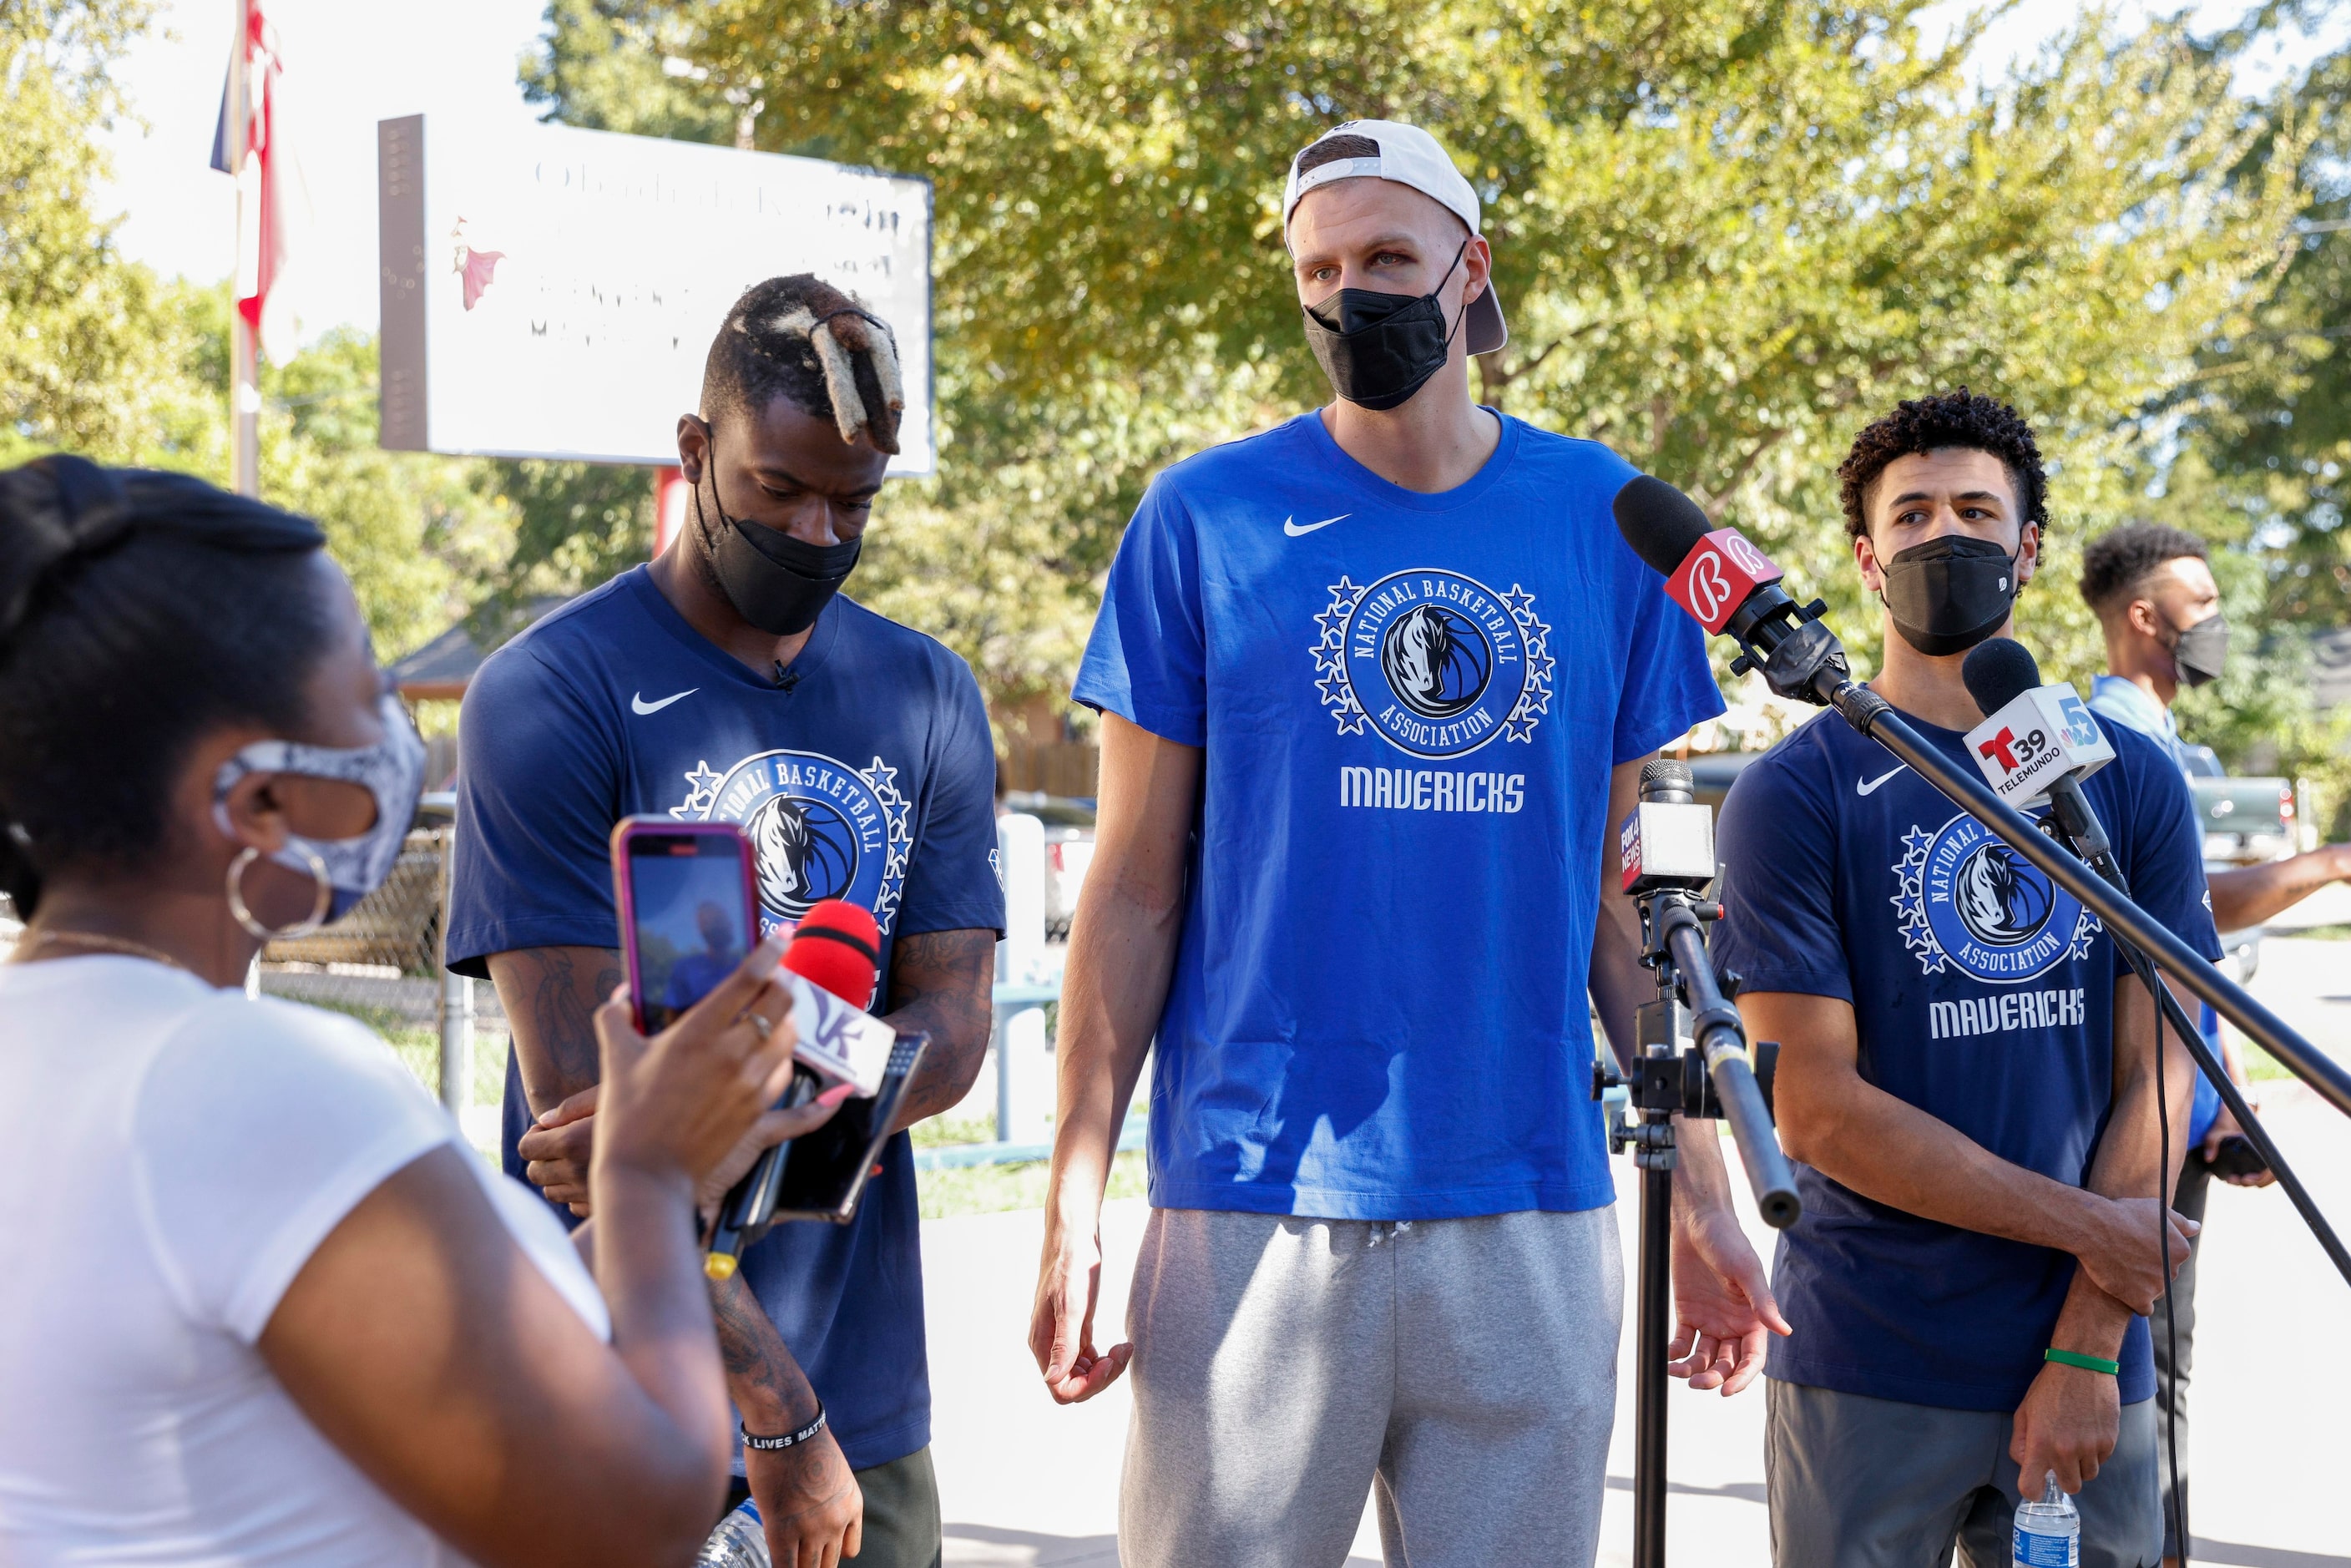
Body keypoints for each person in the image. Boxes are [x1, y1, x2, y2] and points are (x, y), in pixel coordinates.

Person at [1031, 119, 1783, 1568]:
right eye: (1319, 267)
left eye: (1386, 256)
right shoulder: (1202, 518)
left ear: (1468, 268)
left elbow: (1619, 902)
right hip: (1253, 1197)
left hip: (1526, 1195)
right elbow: (1130, 885)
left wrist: (1704, 1190)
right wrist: (1076, 1184)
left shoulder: (1603, 517)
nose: (1349, 293)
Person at [0, 455, 846, 1565]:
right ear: (254, 796)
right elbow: (632, 1519)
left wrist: (655, 1176)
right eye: (363, 689)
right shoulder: (252, 1082)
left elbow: (362, 1327)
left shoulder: (59, 1048)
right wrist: (645, 1176)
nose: (396, 735)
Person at [447, 274, 1004, 1568]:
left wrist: (740, 1088)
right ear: (694, 451)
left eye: (853, 500)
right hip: (621, 1389)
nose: (816, 528)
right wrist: (774, 1406)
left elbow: (959, 1029)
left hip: (864, 1393)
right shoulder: (547, 696)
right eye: (776, 489)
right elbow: (588, 1132)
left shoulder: (928, 693)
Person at [1709, 391, 2216, 1566]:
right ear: (1865, 558)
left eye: (1980, 510)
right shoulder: (1796, 793)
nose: (1948, 535)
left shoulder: (2128, 779)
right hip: (1873, 1358)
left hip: (2093, 1356)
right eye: (1916, 512)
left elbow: (2164, 1062)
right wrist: (2097, 1227)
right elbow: (1818, 1109)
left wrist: (2090, 1339)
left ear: (2028, 549)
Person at [2079, 521, 2289, 1566]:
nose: (2213, 624)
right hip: (2141, 1115)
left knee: (2167, 1352)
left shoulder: (2156, 733)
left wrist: (2227, 1091)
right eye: (2197, 604)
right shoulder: (2112, 732)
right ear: (2142, 615)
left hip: (2183, 1101)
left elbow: (2188, 964)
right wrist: (2325, 868)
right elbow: (2182, 922)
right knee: (2146, 1353)